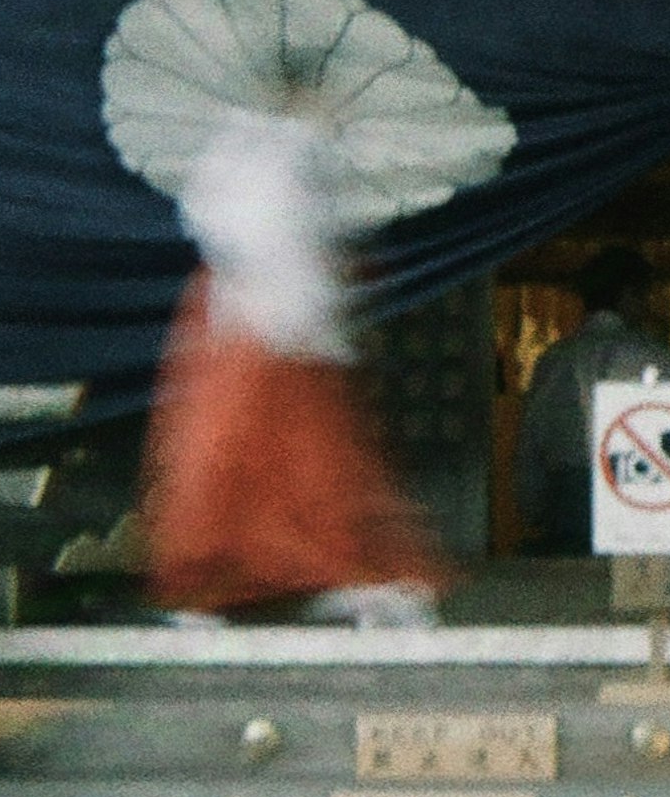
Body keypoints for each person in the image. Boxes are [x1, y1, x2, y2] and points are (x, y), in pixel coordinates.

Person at [143, 106, 446, 629]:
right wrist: (311, 316)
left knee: (252, 461)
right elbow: (280, 240)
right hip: (271, 323)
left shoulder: (247, 153)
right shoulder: (283, 153)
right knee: (287, 461)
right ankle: (286, 575)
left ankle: (238, 579)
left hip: (251, 322)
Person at [513, 247, 670, 556]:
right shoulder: (656, 358)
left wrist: (534, 507)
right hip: (639, 506)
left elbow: (531, 442)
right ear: (630, 295)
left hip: (566, 511)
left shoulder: (553, 360)